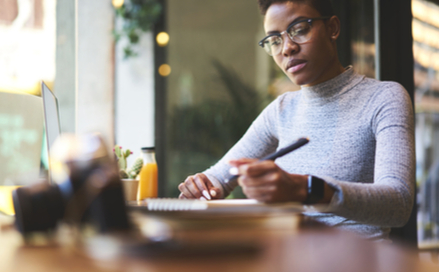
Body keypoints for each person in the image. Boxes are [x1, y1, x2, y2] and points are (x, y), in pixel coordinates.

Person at [177, 0, 415, 241]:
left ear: (332, 28)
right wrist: (200, 185)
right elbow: (220, 177)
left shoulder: (384, 98)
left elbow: (399, 203)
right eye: (275, 40)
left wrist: (305, 188)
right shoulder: (281, 110)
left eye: (300, 30)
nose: (287, 48)